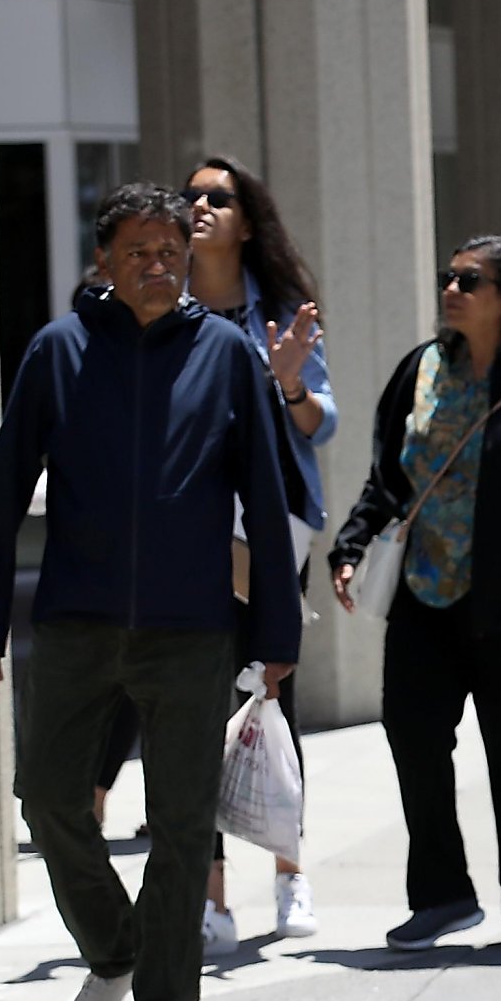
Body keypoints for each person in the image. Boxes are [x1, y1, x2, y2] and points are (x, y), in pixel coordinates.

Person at [0, 183, 300, 1001]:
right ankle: (115, 952)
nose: (158, 264)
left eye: (171, 249)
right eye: (137, 251)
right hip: (74, 622)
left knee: (183, 826)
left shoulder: (225, 353)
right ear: (103, 262)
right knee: (47, 798)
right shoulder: (58, 351)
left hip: (192, 632)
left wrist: (275, 629)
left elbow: (266, 497)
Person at [327, 237, 501, 952]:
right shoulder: (419, 371)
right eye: (448, 278)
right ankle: (443, 897)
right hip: (424, 596)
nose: (451, 289)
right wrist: (354, 541)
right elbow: (388, 477)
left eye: (469, 280)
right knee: (414, 739)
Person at [179, 155, 338, 953]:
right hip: (191, 532)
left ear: (247, 218)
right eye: (193, 197)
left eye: (219, 196)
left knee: (275, 691)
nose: (201, 206)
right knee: (197, 704)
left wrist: (285, 384)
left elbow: (320, 424)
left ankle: (289, 873)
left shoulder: (278, 313)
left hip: (273, 526)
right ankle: (211, 900)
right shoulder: (163, 309)